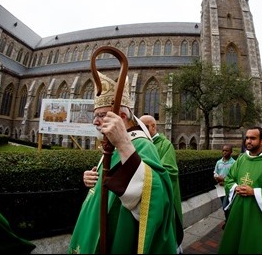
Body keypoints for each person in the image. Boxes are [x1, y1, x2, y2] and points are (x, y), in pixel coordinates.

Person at [68, 72, 177, 254]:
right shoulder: (112, 143)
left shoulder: (139, 144)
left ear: (121, 116)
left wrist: (124, 144)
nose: (95, 121)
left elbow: (156, 196)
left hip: (119, 233)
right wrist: (92, 179)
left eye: (101, 115)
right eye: (95, 115)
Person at [218, 126, 262, 254]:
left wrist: (254, 192)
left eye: (253, 138)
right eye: (247, 138)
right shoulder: (241, 159)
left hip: (257, 212)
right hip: (238, 209)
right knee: (234, 240)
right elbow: (229, 179)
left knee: (251, 244)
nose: (248, 141)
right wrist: (235, 187)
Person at [139, 114, 184, 253]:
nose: (142, 130)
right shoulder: (139, 142)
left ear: (154, 126)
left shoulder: (165, 145)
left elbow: (170, 171)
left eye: (145, 127)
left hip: (158, 199)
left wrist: (142, 176)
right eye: (140, 126)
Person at [213, 144, 235, 227]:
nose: (224, 152)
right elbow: (215, 172)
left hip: (229, 188)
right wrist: (216, 177)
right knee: (224, 206)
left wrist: (224, 180)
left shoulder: (234, 163)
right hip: (221, 188)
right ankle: (228, 220)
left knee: (226, 206)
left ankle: (228, 222)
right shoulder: (219, 162)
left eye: (227, 150)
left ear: (231, 152)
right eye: (223, 150)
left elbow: (235, 176)